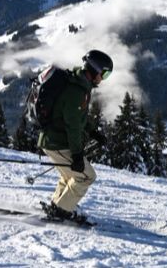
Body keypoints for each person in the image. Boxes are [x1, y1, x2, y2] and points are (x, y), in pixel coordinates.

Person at [37, 50, 112, 223]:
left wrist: (93, 132)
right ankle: (61, 210)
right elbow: (73, 126)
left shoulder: (80, 85)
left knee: (70, 176)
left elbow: (79, 118)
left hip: (52, 140)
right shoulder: (76, 91)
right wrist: (77, 155)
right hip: (57, 142)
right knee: (86, 176)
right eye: (105, 74)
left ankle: (58, 204)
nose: (104, 79)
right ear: (94, 70)